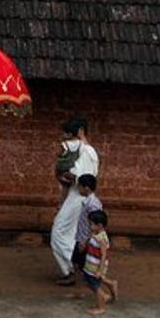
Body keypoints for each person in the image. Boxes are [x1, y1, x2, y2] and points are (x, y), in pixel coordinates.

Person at [51, 116, 99, 284]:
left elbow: (82, 177)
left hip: (79, 198)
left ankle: (74, 267)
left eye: (68, 134)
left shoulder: (87, 151)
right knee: (71, 234)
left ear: (79, 132)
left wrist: (64, 173)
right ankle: (76, 266)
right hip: (74, 196)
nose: (64, 138)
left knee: (58, 232)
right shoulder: (81, 150)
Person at [80, 210, 118, 316]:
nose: (90, 226)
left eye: (91, 224)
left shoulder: (102, 239)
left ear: (99, 225)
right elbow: (90, 242)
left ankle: (101, 307)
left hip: (95, 267)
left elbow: (104, 255)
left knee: (95, 287)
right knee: (88, 282)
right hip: (90, 265)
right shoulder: (95, 234)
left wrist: (100, 271)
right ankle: (110, 284)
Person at [72, 174, 104, 276]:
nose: (78, 189)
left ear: (86, 188)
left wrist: (86, 242)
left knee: (83, 264)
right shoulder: (88, 202)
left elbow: (96, 226)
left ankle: (105, 284)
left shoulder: (92, 204)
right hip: (82, 237)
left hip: (86, 239)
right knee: (77, 261)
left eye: (80, 187)